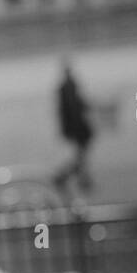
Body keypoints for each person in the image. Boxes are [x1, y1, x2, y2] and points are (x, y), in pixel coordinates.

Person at [52, 58, 95, 195]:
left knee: (81, 154)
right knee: (81, 154)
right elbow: (74, 107)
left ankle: (74, 177)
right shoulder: (68, 87)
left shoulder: (64, 87)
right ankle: (68, 176)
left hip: (74, 126)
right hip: (77, 126)